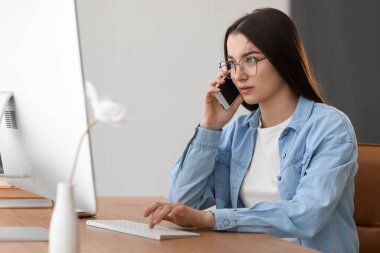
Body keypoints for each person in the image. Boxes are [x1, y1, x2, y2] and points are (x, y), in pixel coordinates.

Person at [143, 8, 359, 253]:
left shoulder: (330, 128)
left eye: (251, 59)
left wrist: (213, 219)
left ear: (282, 57)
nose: (239, 75)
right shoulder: (236, 133)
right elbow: (182, 202)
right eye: (233, 64)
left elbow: (307, 215)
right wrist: (210, 127)